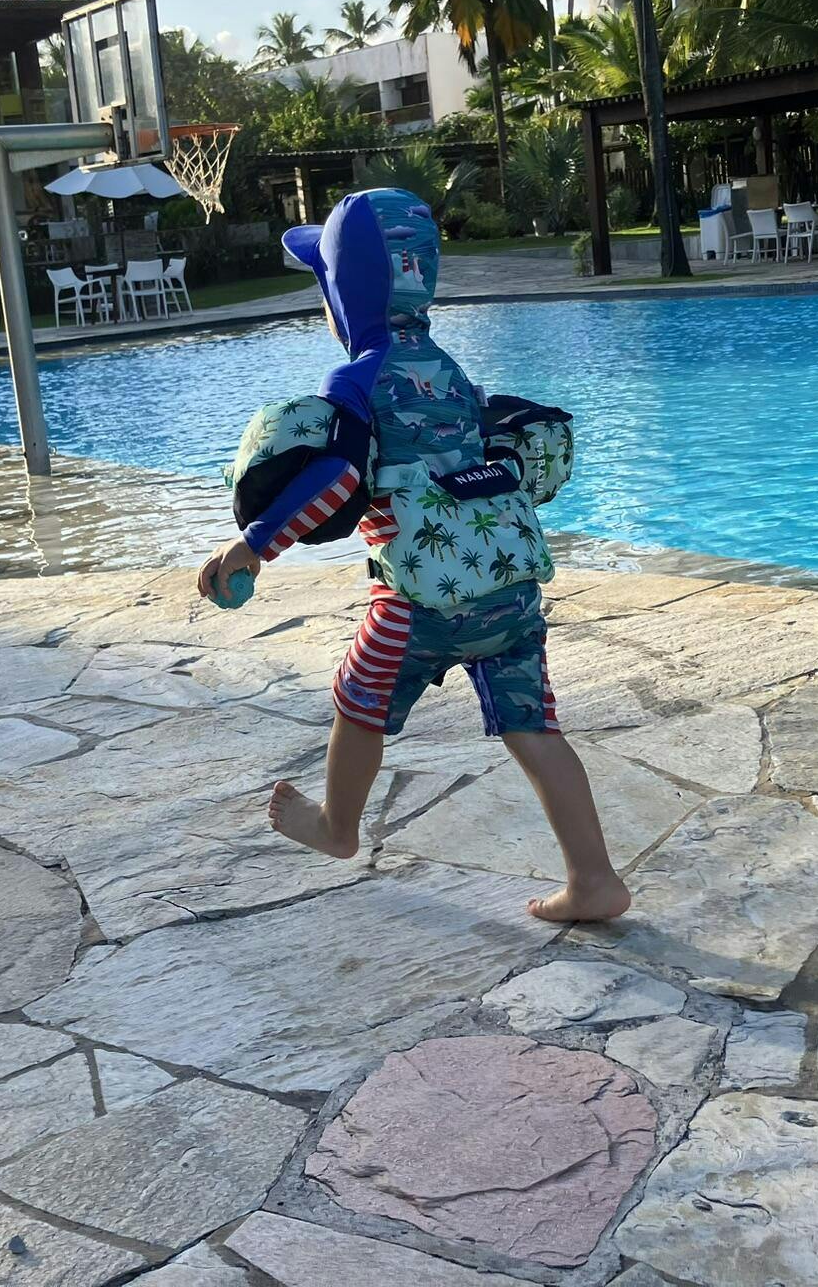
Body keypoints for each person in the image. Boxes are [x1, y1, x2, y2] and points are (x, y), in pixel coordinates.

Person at [196, 188, 630, 923]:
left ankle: (336, 828)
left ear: (343, 294)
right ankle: (594, 878)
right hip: (507, 587)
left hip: (418, 602)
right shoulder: (449, 368)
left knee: (358, 702)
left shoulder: (357, 379)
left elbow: (338, 478)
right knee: (534, 728)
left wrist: (255, 544)